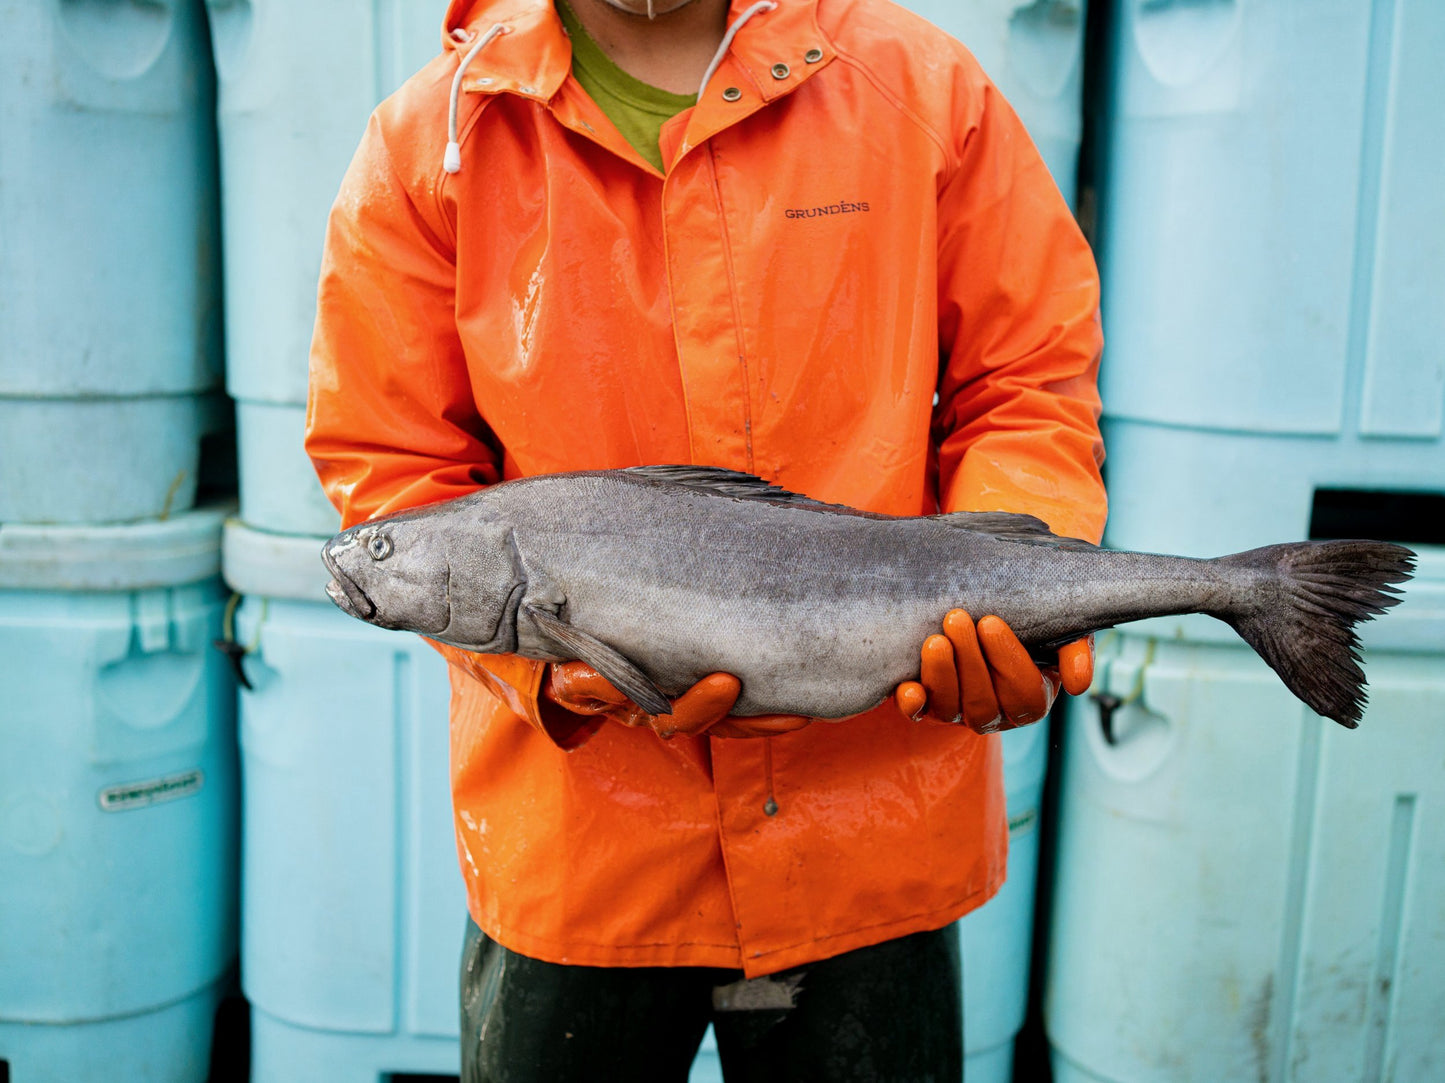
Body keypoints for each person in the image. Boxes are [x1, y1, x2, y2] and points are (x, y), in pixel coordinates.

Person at [306, 0, 1106, 1077]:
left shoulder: (921, 89)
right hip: (579, 856)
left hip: (870, 837)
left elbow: (1025, 382)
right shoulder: (431, 143)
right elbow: (392, 471)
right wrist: (559, 674)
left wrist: (1018, 586)